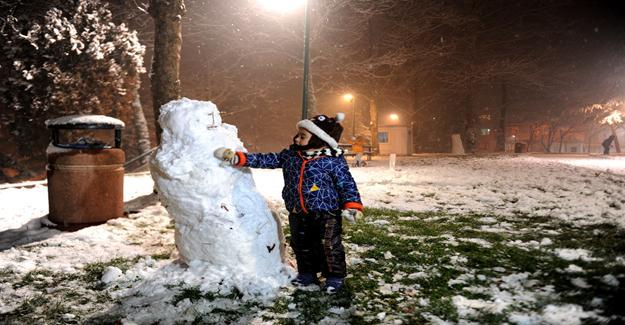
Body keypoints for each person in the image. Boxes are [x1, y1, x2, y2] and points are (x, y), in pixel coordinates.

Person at [214, 113, 363, 294]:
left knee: (329, 244)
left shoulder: (332, 161)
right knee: (301, 244)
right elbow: (266, 159)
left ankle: (335, 276)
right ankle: (307, 274)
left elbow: (346, 183)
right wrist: (239, 158)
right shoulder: (291, 156)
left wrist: (352, 205)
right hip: (297, 210)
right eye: (298, 135)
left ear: (318, 139)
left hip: (327, 212)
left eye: (302, 136)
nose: (296, 138)